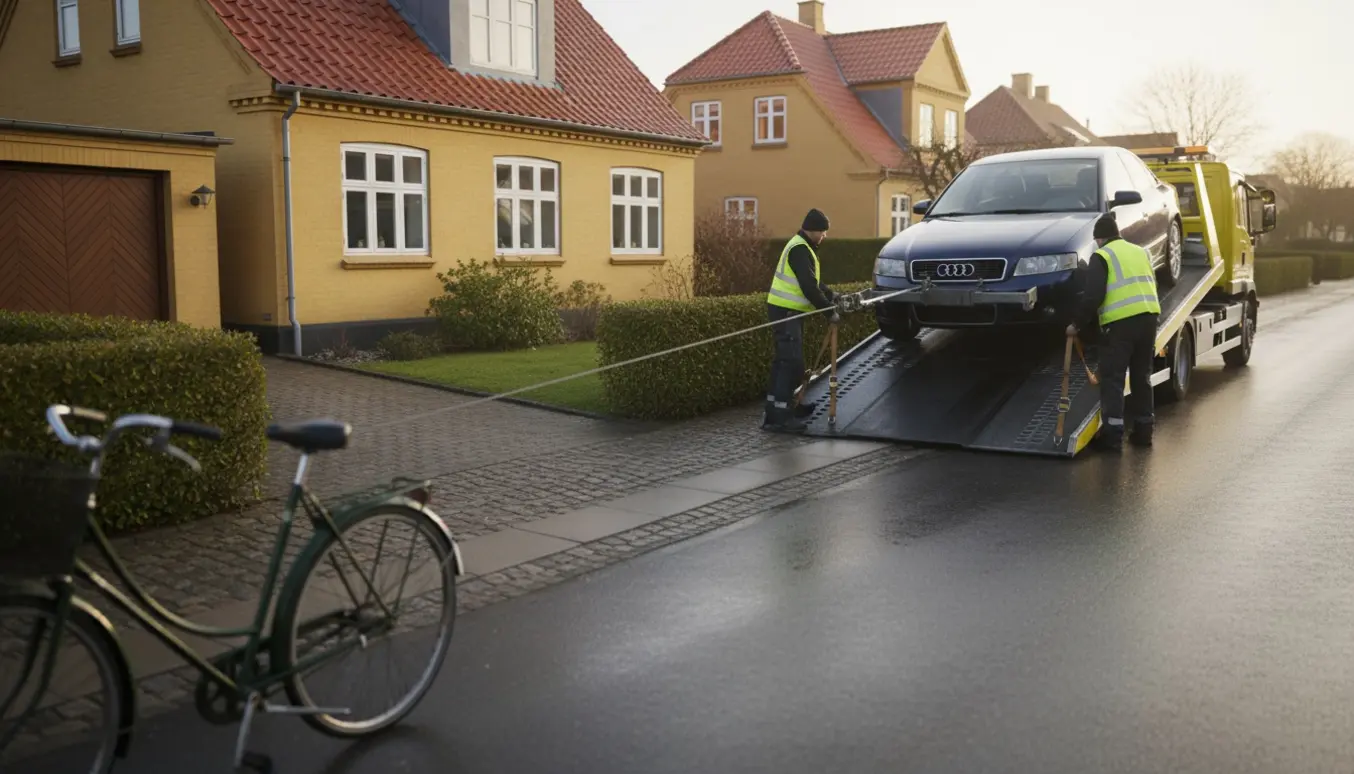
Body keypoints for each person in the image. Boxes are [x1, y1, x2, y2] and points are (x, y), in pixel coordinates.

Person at [1067, 213, 1161, 451]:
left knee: (1113, 380)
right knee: (1142, 377)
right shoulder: (1140, 252)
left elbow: (1093, 296)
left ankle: (1113, 438)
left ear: (1099, 238)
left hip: (1120, 325)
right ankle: (1144, 432)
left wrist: (1076, 324)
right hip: (1149, 318)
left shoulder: (1102, 256)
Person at [763, 208, 839, 433]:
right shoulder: (799, 249)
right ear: (813, 230)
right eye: (823, 232)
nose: (824, 236)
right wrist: (829, 311)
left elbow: (813, 282)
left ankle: (781, 408)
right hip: (786, 313)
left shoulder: (802, 246)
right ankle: (780, 418)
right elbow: (808, 287)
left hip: (787, 312)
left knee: (784, 362)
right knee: (790, 363)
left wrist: (832, 295)